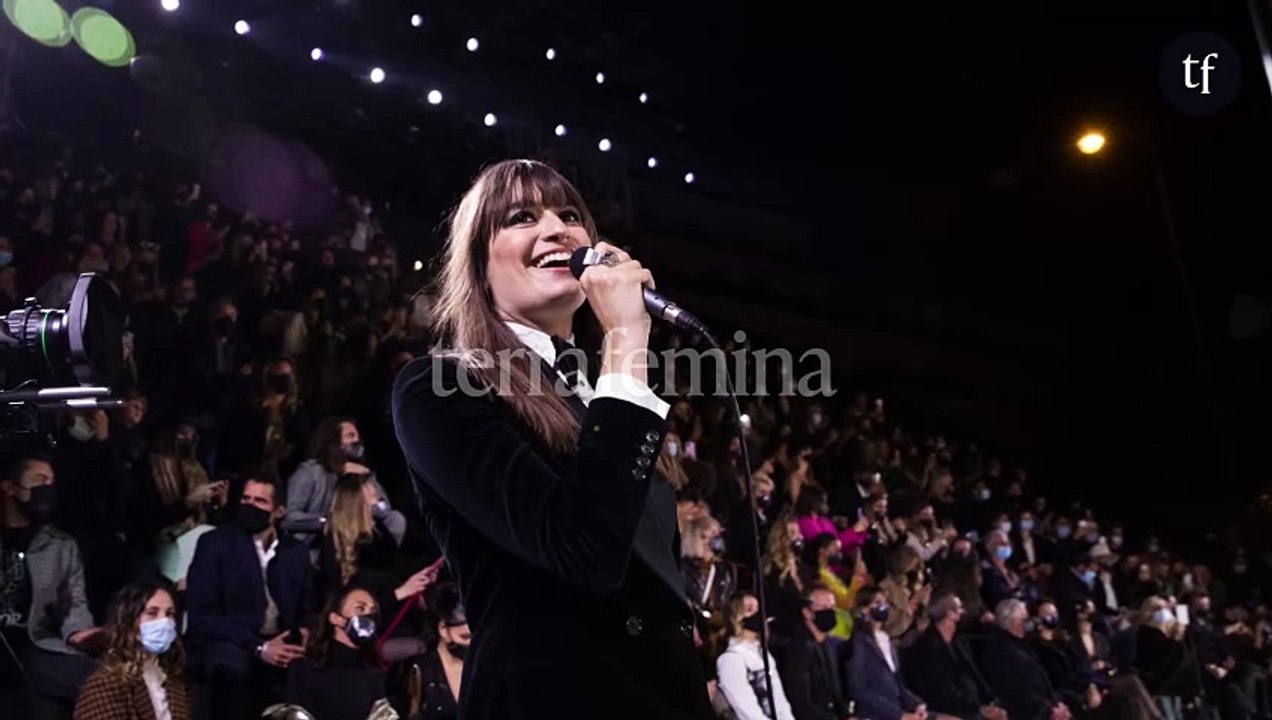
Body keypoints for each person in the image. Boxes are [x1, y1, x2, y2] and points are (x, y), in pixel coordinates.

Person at [391, 159, 712, 719]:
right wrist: (627, 340)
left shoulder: (606, 389)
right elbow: (581, 549)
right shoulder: (441, 386)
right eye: (521, 216)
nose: (559, 228)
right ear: (477, 265)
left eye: (569, 214)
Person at [73, 580, 191, 720]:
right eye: (152, 613)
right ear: (129, 620)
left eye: (169, 614)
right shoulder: (105, 683)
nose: (163, 621)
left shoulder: (173, 679)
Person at [285, 586, 390, 720]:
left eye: (372, 611)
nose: (368, 616)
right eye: (360, 609)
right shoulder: (305, 668)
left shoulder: (373, 672)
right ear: (336, 618)